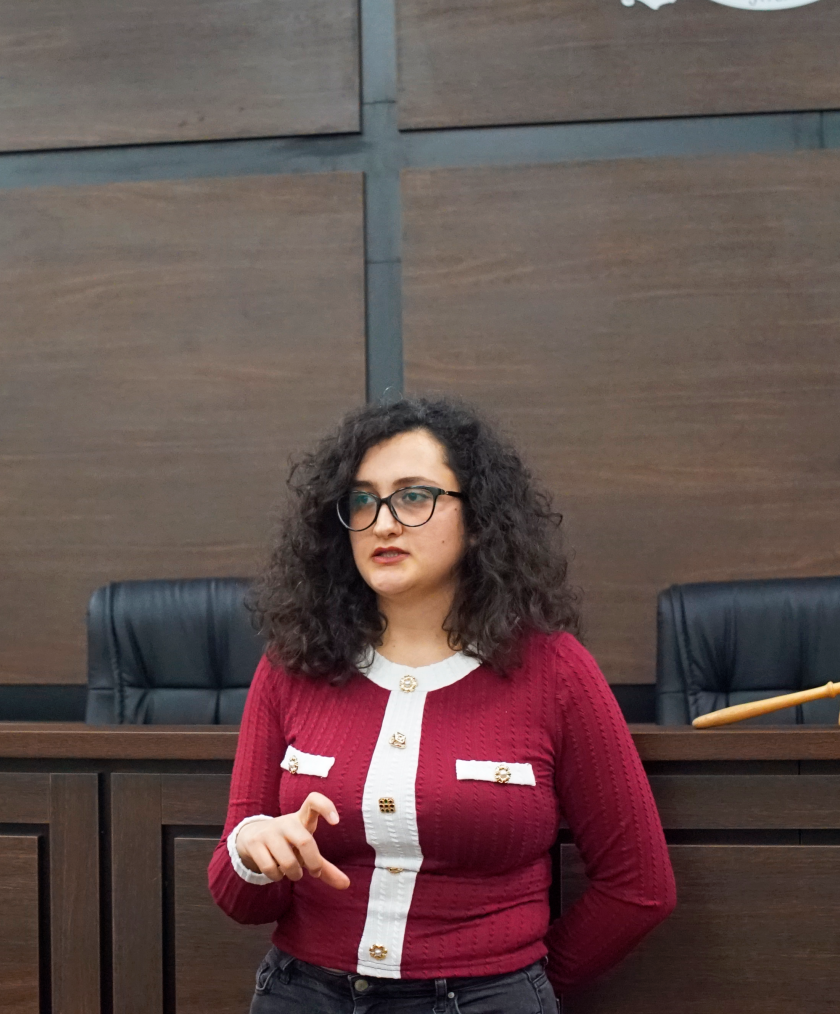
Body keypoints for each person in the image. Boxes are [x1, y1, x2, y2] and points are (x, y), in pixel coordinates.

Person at [209, 397, 675, 1013]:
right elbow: (240, 900)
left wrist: (521, 989)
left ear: (477, 519)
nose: (382, 524)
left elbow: (639, 888)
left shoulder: (556, 671)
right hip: (303, 994)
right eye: (363, 501)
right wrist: (252, 851)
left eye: (413, 497)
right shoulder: (292, 665)